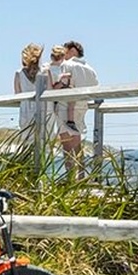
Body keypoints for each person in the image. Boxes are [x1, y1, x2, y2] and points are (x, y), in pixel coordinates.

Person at [54, 40, 98, 178]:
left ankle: (70, 178)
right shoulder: (90, 69)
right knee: (77, 142)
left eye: (65, 51)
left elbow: (62, 84)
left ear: (73, 51)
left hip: (65, 105)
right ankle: (81, 175)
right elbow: (96, 87)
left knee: (66, 145)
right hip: (82, 106)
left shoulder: (67, 65)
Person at [13, 43, 44, 131]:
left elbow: (17, 94)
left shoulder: (19, 73)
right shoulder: (43, 72)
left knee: (26, 134)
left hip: (25, 108)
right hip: (41, 107)